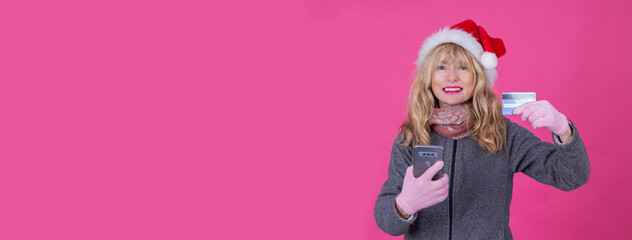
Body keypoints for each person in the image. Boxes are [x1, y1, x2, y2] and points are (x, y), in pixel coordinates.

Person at [373, 19, 590, 239]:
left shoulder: (503, 133)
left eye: (463, 67)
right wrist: (405, 205)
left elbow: (572, 176)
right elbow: (387, 224)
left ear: (477, 77)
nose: (451, 77)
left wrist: (563, 129)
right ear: (429, 77)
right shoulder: (412, 136)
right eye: (441, 67)